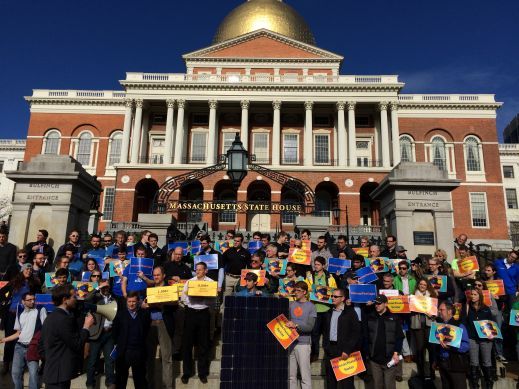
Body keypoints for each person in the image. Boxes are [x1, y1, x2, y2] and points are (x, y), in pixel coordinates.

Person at [40, 284, 95, 389]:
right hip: (59, 376)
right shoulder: (65, 319)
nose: (76, 299)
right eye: (74, 296)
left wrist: (52, 360)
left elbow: (41, 347)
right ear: (65, 299)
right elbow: (77, 344)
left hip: (53, 373)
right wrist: (86, 326)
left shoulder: (50, 317)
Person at [0, 292, 46, 389]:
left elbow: (45, 330)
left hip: (32, 347)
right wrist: (4, 339)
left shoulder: (40, 309)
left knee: (33, 375)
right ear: (23, 301)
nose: (32, 302)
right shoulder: (20, 311)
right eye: (29, 300)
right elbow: (18, 333)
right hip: (19, 347)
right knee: (16, 373)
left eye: (34, 299)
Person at [1, 263, 41, 374]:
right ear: (22, 270)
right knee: (10, 339)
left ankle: (18, 363)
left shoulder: (34, 283)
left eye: (30, 269)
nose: (29, 271)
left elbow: (39, 296)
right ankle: (6, 363)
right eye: (26, 269)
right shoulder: (14, 282)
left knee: (22, 338)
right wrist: (5, 302)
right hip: (12, 313)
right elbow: (2, 292)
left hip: (26, 314)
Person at [181, 262, 216, 384]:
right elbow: (183, 297)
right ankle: (186, 372)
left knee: (203, 344)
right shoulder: (190, 281)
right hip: (190, 313)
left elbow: (213, 299)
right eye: (197, 270)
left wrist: (203, 297)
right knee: (187, 344)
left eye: (200, 270)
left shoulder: (211, 283)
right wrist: (192, 298)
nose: (198, 272)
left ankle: (202, 373)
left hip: (204, 313)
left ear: (206, 270)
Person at [322, 287, 361, 389]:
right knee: (331, 383)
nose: (332, 298)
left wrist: (347, 350)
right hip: (330, 350)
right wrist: (326, 346)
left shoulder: (350, 312)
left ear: (342, 298)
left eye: (335, 296)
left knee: (346, 383)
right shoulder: (329, 312)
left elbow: (355, 333)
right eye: (332, 296)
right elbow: (325, 332)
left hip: (344, 352)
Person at [363, 294, 404, 389]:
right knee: (377, 385)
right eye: (376, 303)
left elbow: (399, 337)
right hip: (374, 359)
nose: (377, 305)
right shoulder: (370, 317)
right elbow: (365, 336)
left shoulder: (394, 318)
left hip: (389, 358)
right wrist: (368, 353)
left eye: (379, 303)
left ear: (386, 304)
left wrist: (396, 353)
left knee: (389, 386)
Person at [112, 291, 151, 389]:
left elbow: (146, 331)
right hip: (124, 353)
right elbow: (115, 333)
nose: (131, 304)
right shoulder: (120, 315)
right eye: (129, 301)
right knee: (120, 382)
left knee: (140, 381)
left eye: (133, 301)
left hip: (139, 352)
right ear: (126, 302)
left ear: (138, 301)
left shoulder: (144, 314)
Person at [144, 266, 174, 389]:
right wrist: (145, 305)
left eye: (158, 275)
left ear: (163, 276)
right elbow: (143, 304)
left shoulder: (169, 289)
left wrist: (163, 303)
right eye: (154, 275)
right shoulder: (149, 289)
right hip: (151, 324)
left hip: (163, 323)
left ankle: (167, 386)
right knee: (149, 358)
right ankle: (150, 385)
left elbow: (175, 304)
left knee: (166, 358)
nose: (156, 277)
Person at [84, 280, 116, 389]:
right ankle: (90, 384)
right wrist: (98, 287)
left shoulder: (113, 298)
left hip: (109, 333)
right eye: (104, 286)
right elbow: (86, 299)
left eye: (107, 286)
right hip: (97, 333)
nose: (106, 288)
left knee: (110, 360)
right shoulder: (95, 297)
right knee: (92, 360)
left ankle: (110, 383)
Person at [286, 281, 316, 389]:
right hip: (290, 343)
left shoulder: (311, 306)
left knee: (305, 376)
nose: (296, 293)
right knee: (290, 376)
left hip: (303, 344)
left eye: (298, 291)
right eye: (295, 290)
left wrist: (296, 325)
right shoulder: (291, 305)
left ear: (304, 292)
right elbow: (286, 322)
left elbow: (310, 327)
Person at [306, 256, 337, 363]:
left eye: (318, 264)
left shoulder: (330, 277)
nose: (316, 266)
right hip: (314, 309)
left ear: (324, 266)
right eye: (315, 264)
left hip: (327, 309)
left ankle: (328, 354)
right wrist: (313, 292)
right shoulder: (310, 276)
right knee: (314, 333)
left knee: (327, 333)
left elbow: (334, 291)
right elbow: (307, 289)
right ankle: (314, 354)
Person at [462, 288, 495, 389]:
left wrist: (491, 334)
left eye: (475, 294)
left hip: (485, 339)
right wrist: (466, 308)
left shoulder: (486, 308)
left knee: (486, 362)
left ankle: (489, 385)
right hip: (472, 338)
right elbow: (464, 322)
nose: (473, 296)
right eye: (471, 294)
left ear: (479, 296)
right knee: (474, 362)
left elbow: (491, 324)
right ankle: (475, 386)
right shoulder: (468, 308)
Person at [434, 301, 470, 389]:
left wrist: (451, 347)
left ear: (449, 311)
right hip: (443, 364)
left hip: (456, 365)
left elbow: (466, 346)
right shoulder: (439, 326)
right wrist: (435, 360)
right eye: (439, 310)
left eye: (441, 310)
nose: (439, 311)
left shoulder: (459, 326)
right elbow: (436, 345)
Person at [410, 278, 437, 380]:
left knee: (431, 349)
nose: (422, 286)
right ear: (418, 285)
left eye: (424, 285)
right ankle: (421, 372)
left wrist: (432, 314)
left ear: (427, 286)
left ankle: (432, 371)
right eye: (421, 284)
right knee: (420, 350)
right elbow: (410, 310)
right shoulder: (413, 296)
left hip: (429, 325)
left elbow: (436, 312)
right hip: (417, 326)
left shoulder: (432, 296)